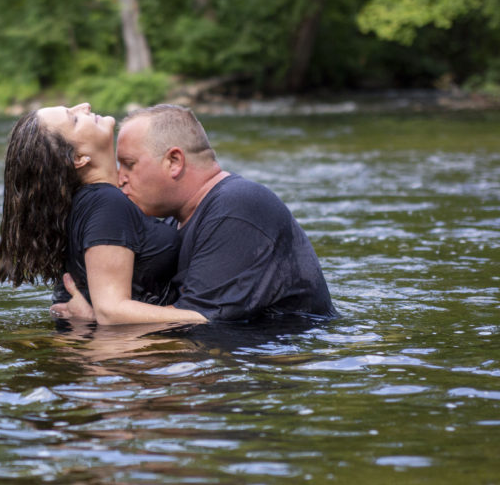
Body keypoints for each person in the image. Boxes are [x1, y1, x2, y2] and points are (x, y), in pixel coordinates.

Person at [111, 104, 337, 322]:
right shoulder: (175, 219)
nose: (120, 178)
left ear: (174, 161)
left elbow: (201, 320)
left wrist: (112, 310)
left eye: (129, 164)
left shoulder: (236, 207)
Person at [0, 103, 206, 325]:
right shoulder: (106, 203)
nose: (84, 107)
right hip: (128, 356)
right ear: (78, 158)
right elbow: (110, 311)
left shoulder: (91, 202)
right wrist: (207, 317)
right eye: (74, 119)